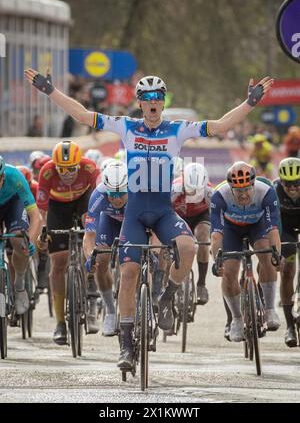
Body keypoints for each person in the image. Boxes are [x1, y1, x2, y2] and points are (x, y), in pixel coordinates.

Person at [25, 68, 273, 369]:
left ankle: (167, 296)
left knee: (189, 248)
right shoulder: (126, 126)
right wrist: (50, 91)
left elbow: (220, 126)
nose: (153, 102)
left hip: (163, 211)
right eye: (147, 97)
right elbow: (82, 115)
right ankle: (127, 346)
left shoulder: (177, 129)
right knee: (128, 274)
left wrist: (250, 103)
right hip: (134, 212)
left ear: (163, 102)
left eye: (158, 97)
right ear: (139, 102)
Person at [36, 140, 99, 345]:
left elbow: (100, 200)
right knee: (58, 263)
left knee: (88, 227)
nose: (67, 174)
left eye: (71, 169)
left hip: (83, 201)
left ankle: (90, 285)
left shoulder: (90, 168)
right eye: (62, 169)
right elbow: (42, 211)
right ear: (54, 166)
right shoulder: (46, 173)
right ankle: (61, 323)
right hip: (58, 207)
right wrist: (44, 231)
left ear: (79, 164)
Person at [210, 162, 281, 342]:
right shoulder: (219, 195)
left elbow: (273, 228)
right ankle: (236, 319)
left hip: (258, 225)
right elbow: (216, 234)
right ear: (231, 188)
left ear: (253, 184)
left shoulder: (266, 192)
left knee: (267, 256)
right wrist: (217, 260)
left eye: (247, 190)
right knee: (229, 271)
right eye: (238, 191)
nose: (243, 195)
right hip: (231, 228)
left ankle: (270, 308)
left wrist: (277, 255)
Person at [83, 160, 128, 336]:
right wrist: (89, 257)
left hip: (132, 223)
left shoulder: (138, 192)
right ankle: (110, 310)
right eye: (112, 194)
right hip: (109, 222)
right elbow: (89, 236)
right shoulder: (98, 195)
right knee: (100, 262)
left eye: (121, 194)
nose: (116, 199)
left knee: (135, 260)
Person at [0, 156, 41, 314]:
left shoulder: (15, 176)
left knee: (19, 240)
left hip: (13, 204)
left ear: (3, 176)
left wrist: (29, 240)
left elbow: (35, 215)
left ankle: (19, 286)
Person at [172, 162, 212, 304]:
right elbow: (164, 211)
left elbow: (218, 215)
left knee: (203, 236)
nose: (194, 195)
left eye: (197, 192)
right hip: (179, 216)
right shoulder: (175, 187)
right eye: (189, 191)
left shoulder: (208, 190)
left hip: (200, 216)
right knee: (172, 244)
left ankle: (201, 284)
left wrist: (215, 240)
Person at [274, 158, 300, 347]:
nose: (292, 188)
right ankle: (290, 327)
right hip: (285, 229)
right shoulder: (274, 191)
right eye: (288, 184)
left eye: (297, 183)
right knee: (288, 271)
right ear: (281, 181)